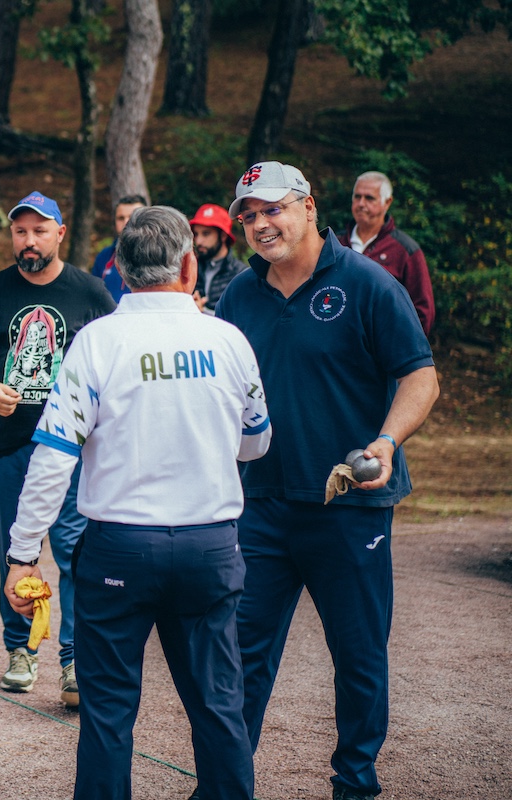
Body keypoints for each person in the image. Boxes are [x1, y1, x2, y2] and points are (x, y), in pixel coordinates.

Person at [5, 205, 272, 800]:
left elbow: (53, 458)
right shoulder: (229, 340)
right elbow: (256, 441)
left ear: (120, 272)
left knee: (107, 713)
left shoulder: (97, 343)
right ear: (188, 264)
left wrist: (23, 554)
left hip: (119, 547)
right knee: (219, 705)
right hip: (209, 544)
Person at [214, 162, 439, 800]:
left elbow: (420, 376)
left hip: (350, 507)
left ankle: (355, 785)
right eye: (248, 215)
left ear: (310, 208)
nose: (260, 224)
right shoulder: (238, 296)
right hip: (258, 506)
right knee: (238, 658)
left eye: (272, 209)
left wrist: (386, 442)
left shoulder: (368, 284)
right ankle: (228, 785)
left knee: (359, 657)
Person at [0, 190, 116, 706]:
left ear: (60, 234)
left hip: (73, 449)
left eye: (39, 231)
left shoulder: (91, 291)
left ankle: (73, 660)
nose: (29, 240)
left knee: (74, 555)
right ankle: (20, 649)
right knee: (13, 555)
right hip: (10, 444)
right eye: (20, 231)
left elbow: (115, 362)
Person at [338, 171, 435, 335]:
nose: (361, 203)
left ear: (387, 202)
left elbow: (423, 312)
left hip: (382, 352)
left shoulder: (405, 250)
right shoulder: (335, 244)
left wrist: (398, 349)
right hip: (334, 349)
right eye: (357, 197)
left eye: (369, 198)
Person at [189, 202, 247, 313]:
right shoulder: (189, 269)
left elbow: (244, 318)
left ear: (223, 236)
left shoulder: (241, 274)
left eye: (206, 234)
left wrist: (203, 313)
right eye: (196, 234)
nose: (198, 241)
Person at [91, 194, 147, 302]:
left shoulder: (157, 256)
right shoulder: (104, 257)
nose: (126, 222)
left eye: (132, 217)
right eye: (121, 218)